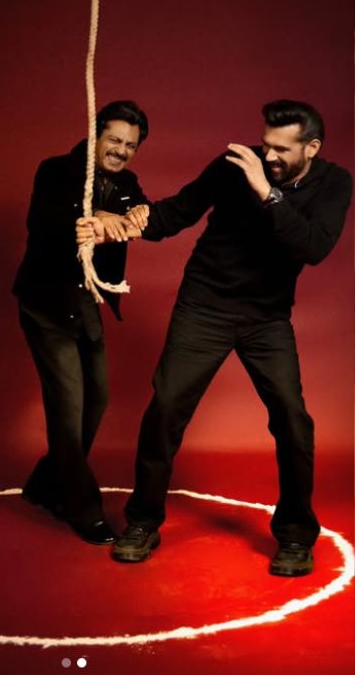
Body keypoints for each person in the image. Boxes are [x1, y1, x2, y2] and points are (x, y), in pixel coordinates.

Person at [77, 99, 352, 573]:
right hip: (204, 307)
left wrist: (266, 191)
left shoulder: (334, 183)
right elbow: (176, 214)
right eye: (266, 145)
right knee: (165, 409)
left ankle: (295, 536)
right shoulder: (233, 165)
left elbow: (313, 247)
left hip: (267, 319)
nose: (268, 157)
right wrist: (116, 227)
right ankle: (143, 522)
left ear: (312, 148)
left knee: (293, 420)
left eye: (282, 150)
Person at [13, 100, 150, 545]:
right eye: (114, 140)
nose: (121, 150)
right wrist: (93, 220)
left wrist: (137, 217)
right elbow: (44, 221)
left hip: (87, 304)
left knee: (98, 397)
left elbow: (142, 213)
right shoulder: (55, 170)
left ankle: (44, 482)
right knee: (68, 407)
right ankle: (81, 508)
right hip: (47, 305)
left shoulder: (128, 183)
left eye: (130, 145)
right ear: (96, 136)